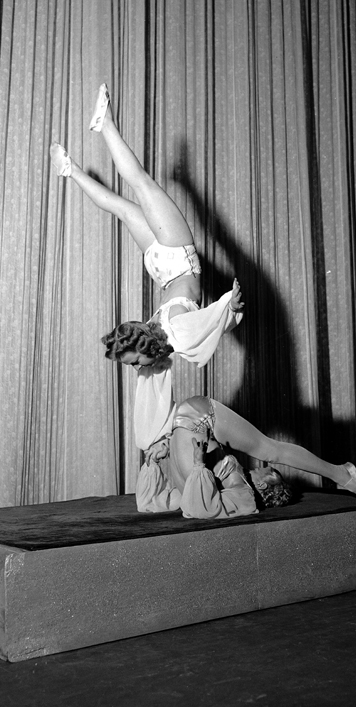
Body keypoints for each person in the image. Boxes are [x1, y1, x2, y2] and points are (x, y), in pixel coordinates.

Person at [50, 84, 244, 454]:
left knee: (132, 196)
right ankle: (80, 158)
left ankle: (83, 156)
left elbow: (208, 325)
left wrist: (226, 309)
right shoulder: (169, 337)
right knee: (132, 192)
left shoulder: (167, 340)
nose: (137, 368)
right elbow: (208, 324)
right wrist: (227, 308)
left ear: (142, 344)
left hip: (172, 262)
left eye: (134, 361)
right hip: (167, 263)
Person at [136, 395, 356, 520]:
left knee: (271, 451)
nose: (263, 467)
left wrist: (165, 456)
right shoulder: (232, 488)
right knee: (270, 450)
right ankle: (341, 474)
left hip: (197, 418)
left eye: (269, 471)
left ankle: (342, 474)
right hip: (196, 418)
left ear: (263, 485)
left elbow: (196, 508)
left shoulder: (241, 494)